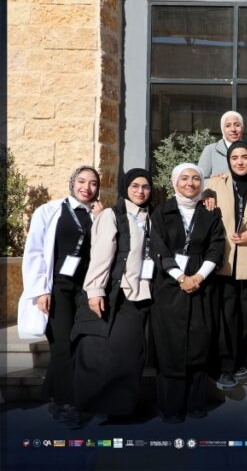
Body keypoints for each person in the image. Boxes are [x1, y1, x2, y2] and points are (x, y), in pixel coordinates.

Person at [22, 166, 102, 427]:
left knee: (78, 345)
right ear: (72, 183)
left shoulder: (99, 214)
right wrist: (40, 290)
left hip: (85, 290)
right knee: (62, 346)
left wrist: (101, 220)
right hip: (57, 288)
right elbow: (34, 250)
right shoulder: (49, 211)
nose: (86, 188)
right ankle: (68, 404)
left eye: (92, 183)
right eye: (81, 181)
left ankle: (53, 393)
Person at [74, 168, 154, 420]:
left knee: (130, 354)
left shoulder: (151, 216)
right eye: (135, 186)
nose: (140, 191)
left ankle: (123, 408)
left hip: (143, 294)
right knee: (108, 351)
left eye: (145, 186)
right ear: (125, 188)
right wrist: (95, 290)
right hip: (118, 292)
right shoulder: (112, 215)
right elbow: (101, 254)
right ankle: (99, 405)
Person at [150, 163, 225, 423]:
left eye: (195, 178)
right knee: (170, 347)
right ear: (174, 182)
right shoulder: (162, 212)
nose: (190, 183)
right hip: (169, 287)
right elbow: (158, 247)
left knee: (199, 344)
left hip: (202, 287)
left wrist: (198, 277)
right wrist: (180, 277)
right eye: (184, 178)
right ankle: (171, 407)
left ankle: (195, 403)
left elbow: (216, 247)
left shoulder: (210, 213)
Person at [205, 141, 247, 391]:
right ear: (228, 161)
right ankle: (225, 367)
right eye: (234, 158)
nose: (240, 162)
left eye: (245, 157)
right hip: (225, 261)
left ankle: (239, 359)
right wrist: (205, 196)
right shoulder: (214, 184)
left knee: (245, 315)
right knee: (227, 316)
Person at [198, 111, 246, 180]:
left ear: (242, 128)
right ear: (222, 129)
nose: (233, 129)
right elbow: (200, 180)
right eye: (228, 126)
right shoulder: (210, 150)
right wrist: (216, 181)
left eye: (237, 125)